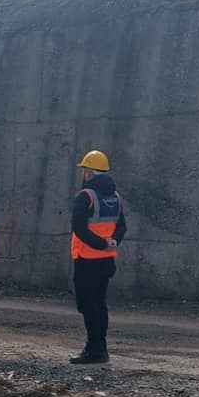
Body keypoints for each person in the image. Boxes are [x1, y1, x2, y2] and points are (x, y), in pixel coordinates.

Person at [69, 150, 127, 365]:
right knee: (99, 304)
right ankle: (99, 348)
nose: (83, 174)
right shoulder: (115, 197)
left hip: (86, 259)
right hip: (106, 260)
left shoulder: (85, 196)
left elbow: (78, 227)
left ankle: (95, 350)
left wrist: (100, 244)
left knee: (87, 304)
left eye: (84, 169)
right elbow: (122, 226)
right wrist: (112, 241)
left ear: (89, 173)